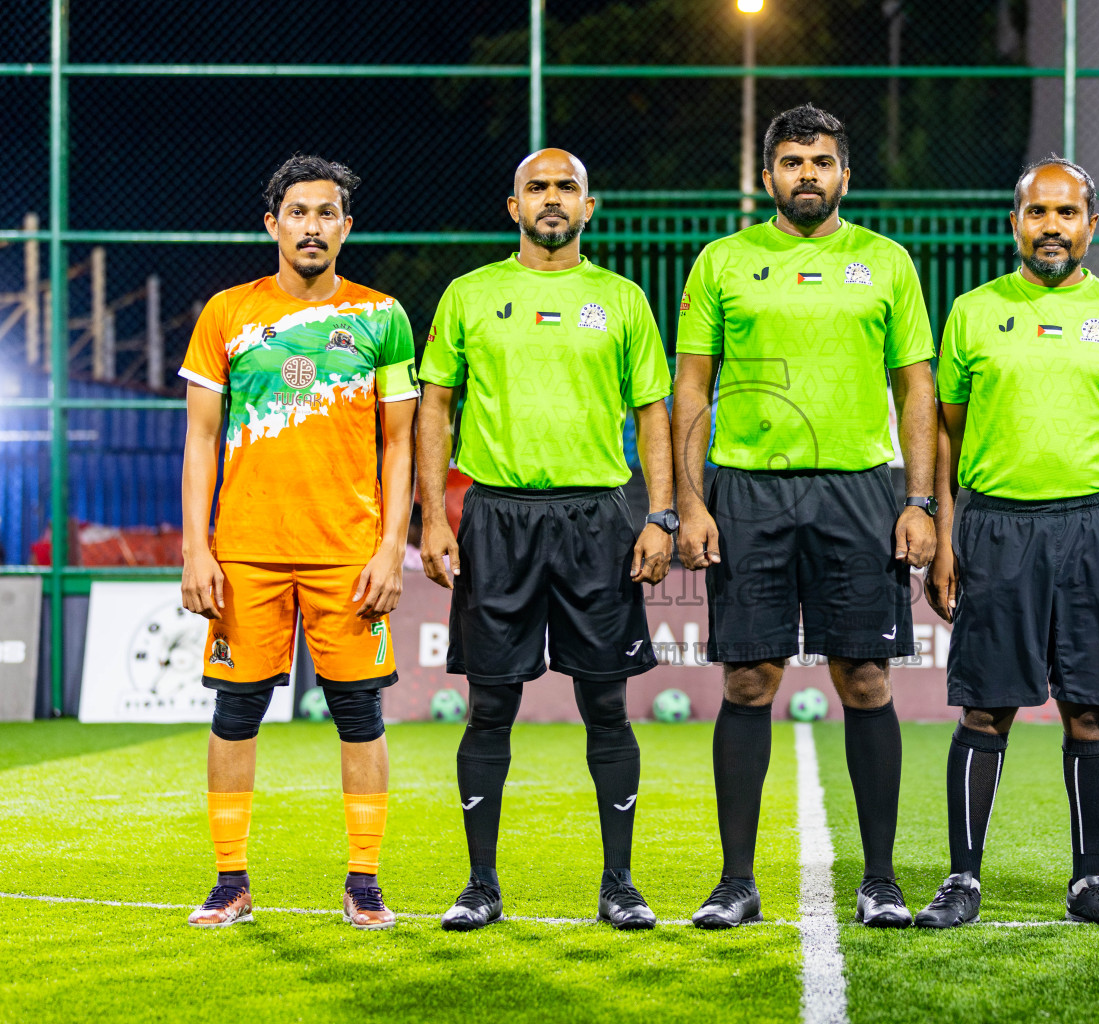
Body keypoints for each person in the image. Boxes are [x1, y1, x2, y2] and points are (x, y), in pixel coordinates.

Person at [673, 104, 937, 929]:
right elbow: (690, 387)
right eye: (792, 162)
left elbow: (916, 389)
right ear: (768, 178)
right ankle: (735, 882)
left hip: (861, 490)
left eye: (821, 161)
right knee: (749, 679)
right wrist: (689, 498)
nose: (807, 175)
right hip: (747, 491)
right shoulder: (722, 261)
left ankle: (882, 879)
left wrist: (920, 500)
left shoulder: (887, 263)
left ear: (844, 174)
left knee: (865, 678)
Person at [418, 149, 675, 932]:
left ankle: (620, 885)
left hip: (597, 518)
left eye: (567, 188)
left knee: (607, 703)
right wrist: (432, 515)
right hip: (496, 518)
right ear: (514, 205)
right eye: (539, 188)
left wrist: (660, 515)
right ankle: (481, 885)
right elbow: (434, 406)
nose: (553, 199)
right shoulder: (470, 295)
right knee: (489, 706)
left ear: (589, 208)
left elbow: (654, 412)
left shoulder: (621, 299)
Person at [916, 158, 1099, 929]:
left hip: (1096, 528)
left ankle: (1090, 882)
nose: (1051, 226)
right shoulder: (971, 312)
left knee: (1091, 713)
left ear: (1092, 225)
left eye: (1067, 213)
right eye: (1037, 212)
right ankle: (962, 881)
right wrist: (946, 535)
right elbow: (946, 440)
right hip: (994, 529)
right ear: (1014, 222)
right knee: (985, 712)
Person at [179, 154, 418, 929]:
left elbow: (401, 446)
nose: (312, 225)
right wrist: (195, 548)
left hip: (348, 551)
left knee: (360, 714)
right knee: (235, 712)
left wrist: (391, 549)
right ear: (271, 223)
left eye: (327, 213)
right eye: (298, 211)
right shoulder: (226, 312)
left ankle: (363, 879)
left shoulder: (381, 315)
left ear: (346, 227)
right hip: (244, 549)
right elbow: (200, 441)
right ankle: (230, 879)